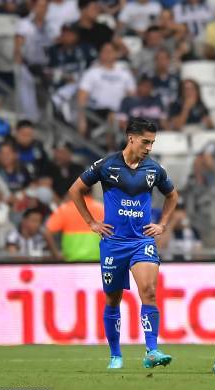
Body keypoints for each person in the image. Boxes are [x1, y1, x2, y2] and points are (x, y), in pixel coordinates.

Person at [68, 118, 179, 370]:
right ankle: (115, 355)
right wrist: (91, 222)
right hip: (113, 243)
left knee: (149, 291)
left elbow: (172, 195)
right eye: (145, 141)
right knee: (113, 299)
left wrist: (162, 224)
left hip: (141, 241)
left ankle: (152, 350)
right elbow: (75, 190)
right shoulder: (107, 165)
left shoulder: (154, 169)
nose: (149, 147)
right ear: (131, 138)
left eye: (152, 142)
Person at [77, 42, 136, 138]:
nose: (107, 54)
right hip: (97, 112)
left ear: (116, 53)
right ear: (100, 53)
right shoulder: (92, 72)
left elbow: (132, 95)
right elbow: (82, 96)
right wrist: (81, 118)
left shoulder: (124, 73)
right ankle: (111, 148)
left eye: (110, 51)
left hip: (120, 112)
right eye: (104, 51)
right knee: (111, 117)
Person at [45, 187, 104, 261]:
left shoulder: (65, 209)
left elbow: (47, 232)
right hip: (97, 260)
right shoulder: (101, 208)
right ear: (91, 192)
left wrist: (56, 254)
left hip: (72, 260)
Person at [150, 48, 181, 113]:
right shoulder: (149, 78)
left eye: (164, 58)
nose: (161, 61)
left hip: (172, 111)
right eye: (159, 59)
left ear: (169, 60)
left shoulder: (176, 78)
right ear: (155, 61)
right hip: (152, 111)